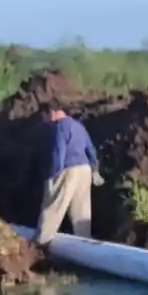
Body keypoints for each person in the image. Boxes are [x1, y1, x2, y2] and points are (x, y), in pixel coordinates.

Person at [34, 105, 101, 246]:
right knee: (81, 209)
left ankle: (41, 241)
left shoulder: (60, 126)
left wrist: (54, 174)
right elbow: (90, 149)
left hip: (69, 169)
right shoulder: (79, 126)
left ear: (54, 113)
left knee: (54, 205)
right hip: (85, 169)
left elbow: (59, 151)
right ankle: (85, 242)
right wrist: (94, 168)